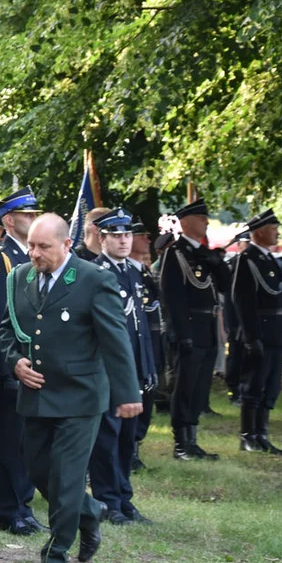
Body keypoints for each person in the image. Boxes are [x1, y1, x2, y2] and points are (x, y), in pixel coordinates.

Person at [0, 213, 141, 563]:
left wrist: (128, 393)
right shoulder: (19, 278)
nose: (34, 253)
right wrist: (15, 363)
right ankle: (89, 510)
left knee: (66, 475)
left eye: (43, 246)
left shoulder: (94, 279)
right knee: (38, 470)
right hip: (36, 394)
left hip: (81, 396)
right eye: (30, 244)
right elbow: (6, 331)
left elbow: (115, 340)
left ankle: (56, 555)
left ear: (66, 245)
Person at [87, 210, 156, 525]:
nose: (124, 240)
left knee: (128, 438)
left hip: (133, 367)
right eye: (116, 235)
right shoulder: (96, 272)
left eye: (127, 234)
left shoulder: (134, 271)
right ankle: (107, 500)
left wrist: (147, 364)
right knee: (108, 437)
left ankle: (124, 499)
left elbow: (140, 324)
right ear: (102, 239)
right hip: (110, 369)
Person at [0, 188, 45, 536]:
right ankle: (9, 509)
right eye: (28, 215)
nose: (35, 220)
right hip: (13, 366)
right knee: (10, 440)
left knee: (29, 441)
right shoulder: (1, 259)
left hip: (34, 364)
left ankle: (24, 504)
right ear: (9, 221)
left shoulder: (34, 258)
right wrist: (8, 365)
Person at [159, 199, 223, 461]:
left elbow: (224, 287)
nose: (206, 222)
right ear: (185, 223)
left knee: (200, 386)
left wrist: (217, 262)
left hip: (206, 328)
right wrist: (181, 333)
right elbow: (172, 298)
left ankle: (193, 440)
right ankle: (181, 443)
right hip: (188, 329)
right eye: (201, 218)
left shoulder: (202, 255)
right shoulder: (176, 254)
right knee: (185, 386)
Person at [231, 209, 282, 455]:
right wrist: (251, 336)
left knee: (270, 385)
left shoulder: (270, 260)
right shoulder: (247, 260)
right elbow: (242, 301)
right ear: (259, 232)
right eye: (273, 228)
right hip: (260, 332)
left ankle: (262, 434)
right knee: (253, 385)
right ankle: (248, 436)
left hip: (275, 333)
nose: (277, 232)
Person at [131, 220, 163, 471]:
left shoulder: (142, 272)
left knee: (148, 391)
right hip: (132, 344)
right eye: (142, 235)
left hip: (150, 341)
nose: (148, 240)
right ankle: (129, 448)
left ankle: (135, 446)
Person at [223, 230, 251, 405]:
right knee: (236, 355)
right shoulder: (233, 265)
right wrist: (233, 323)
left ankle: (248, 388)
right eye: (245, 244)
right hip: (236, 319)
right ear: (239, 245)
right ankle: (234, 389)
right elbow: (230, 296)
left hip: (253, 320)